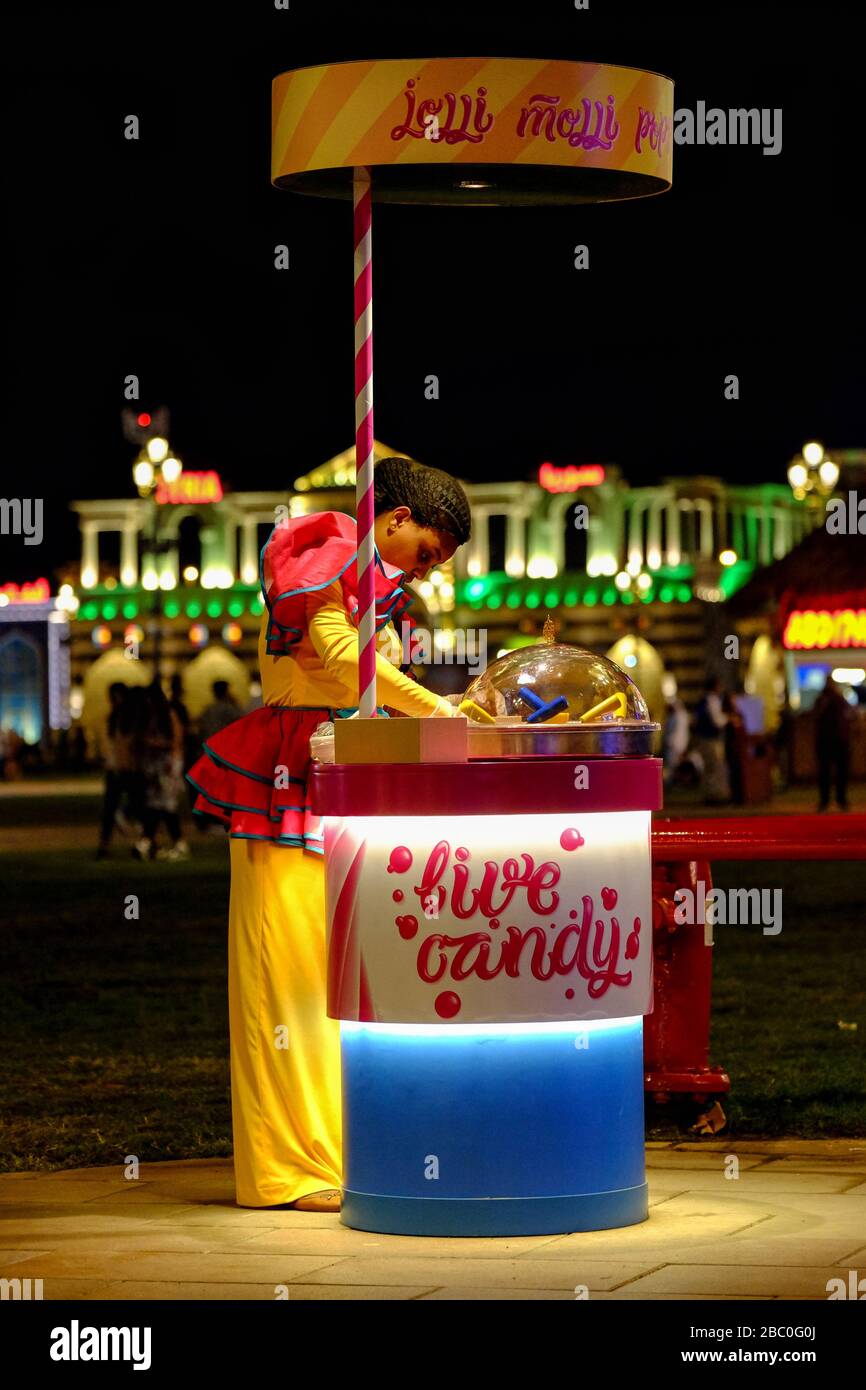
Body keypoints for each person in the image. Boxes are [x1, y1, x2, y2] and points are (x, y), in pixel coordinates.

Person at [186, 456, 471, 1212]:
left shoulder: (382, 588)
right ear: (398, 519)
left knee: (337, 979)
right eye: (428, 552)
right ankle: (290, 1168)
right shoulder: (331, 552)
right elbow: (348, 668)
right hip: (283, 783)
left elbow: (367, 680)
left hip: (339, 784)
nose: (429, 570)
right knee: (289, 982)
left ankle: (337, 1150)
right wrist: (442, 714)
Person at [134, 682, 190, 861]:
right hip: (158, 766)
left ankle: (172, 842)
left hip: (168, 765)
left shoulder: (169, 715)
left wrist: (153, 744)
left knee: (165, 805)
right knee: (156, 804)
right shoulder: (154, 717)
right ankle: (148, 841)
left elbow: (176, 741)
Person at [813, 676, 851, 811]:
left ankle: (835, 800)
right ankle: (831, 800)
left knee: (833, 772)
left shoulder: (833, 699)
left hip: (833, 740)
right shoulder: (829, 699)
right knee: (829, 772)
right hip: (834, 740)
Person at [694, 676, 730, 804]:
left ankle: (709, 795)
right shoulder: (712, 700)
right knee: (715, 767)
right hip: (711, 738)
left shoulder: (703, 700)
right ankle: (715, 796)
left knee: (709, 768)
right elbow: (717, 721)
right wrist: (728, 718)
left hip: (704, 738)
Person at [198, 680, 240, 745]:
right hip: (225, 743)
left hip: (211, 743)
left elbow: (201, 725)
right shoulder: (229, 708)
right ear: (226, 691)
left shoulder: (208, 709)